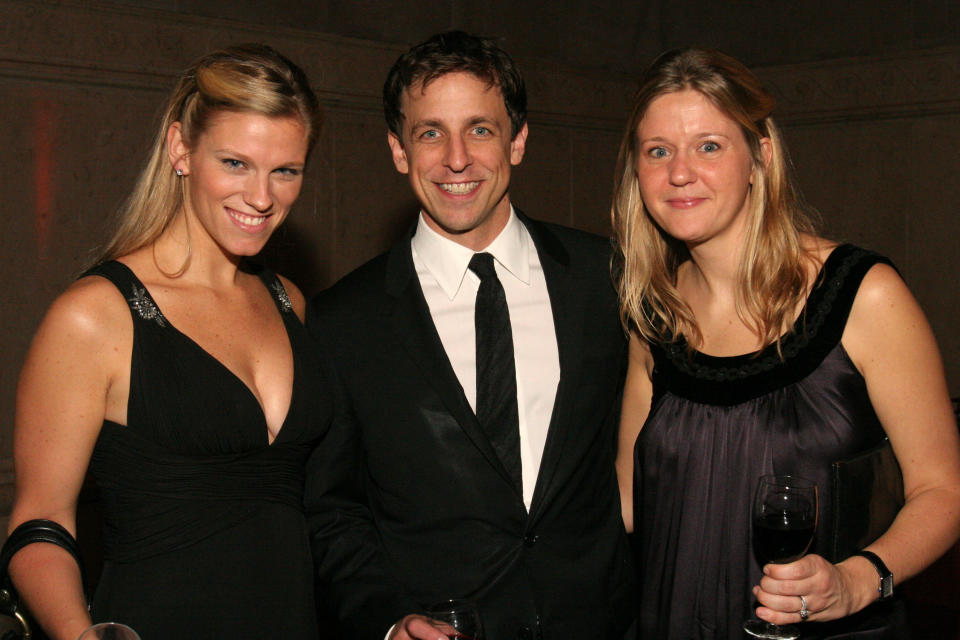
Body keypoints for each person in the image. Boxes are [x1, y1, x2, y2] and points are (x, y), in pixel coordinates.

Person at [612, 47, 960, 639]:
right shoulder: (654, 313)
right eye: (658, 151)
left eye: (710, 145)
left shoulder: (862, 293)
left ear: (760, 156)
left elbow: (943, 490)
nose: (679, 172)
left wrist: (857, 580)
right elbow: (627, 500)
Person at [305, 31, 635, 640]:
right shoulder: (344, 321)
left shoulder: (606, 279)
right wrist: (386, 617)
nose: (457, 158)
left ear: (519, 140)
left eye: (480, 129)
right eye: (430, 132)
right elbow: (333, 513)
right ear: (398, 150)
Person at [6, 43, 328, 639]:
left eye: (286, 170)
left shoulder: (289, 301)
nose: (262, 197)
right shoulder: (96, 316)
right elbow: (40, 521)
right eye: (235, 163)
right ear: (181, 148)